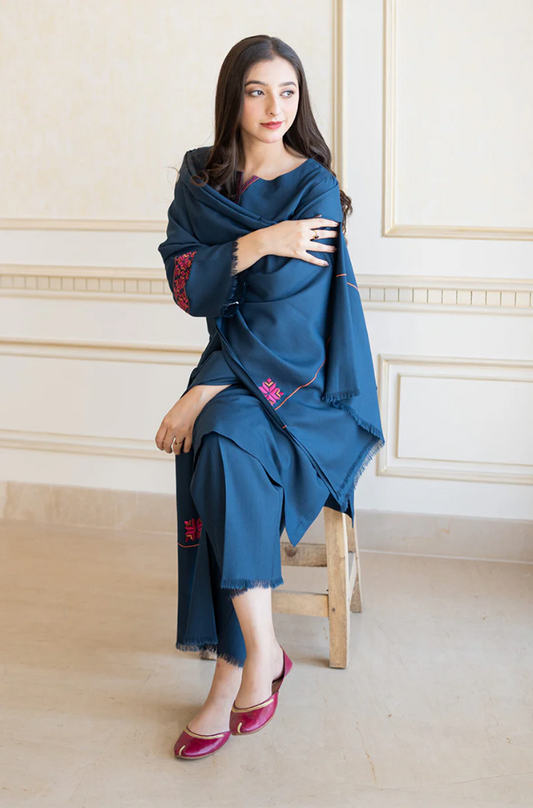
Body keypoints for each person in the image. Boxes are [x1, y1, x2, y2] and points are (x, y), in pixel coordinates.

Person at [155, 34, 385, 759]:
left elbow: (290, 327)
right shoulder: (201, 178)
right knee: (223, 439)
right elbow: (189, 289)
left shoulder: (313, 186)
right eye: (258, 90)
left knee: (215, 430)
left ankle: (237, 671)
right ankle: (255, 659)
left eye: (287, 91)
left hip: (304, 386)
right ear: (233, 96)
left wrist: (195, 394)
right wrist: (257, 244)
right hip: (235, 374)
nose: (274, 107)